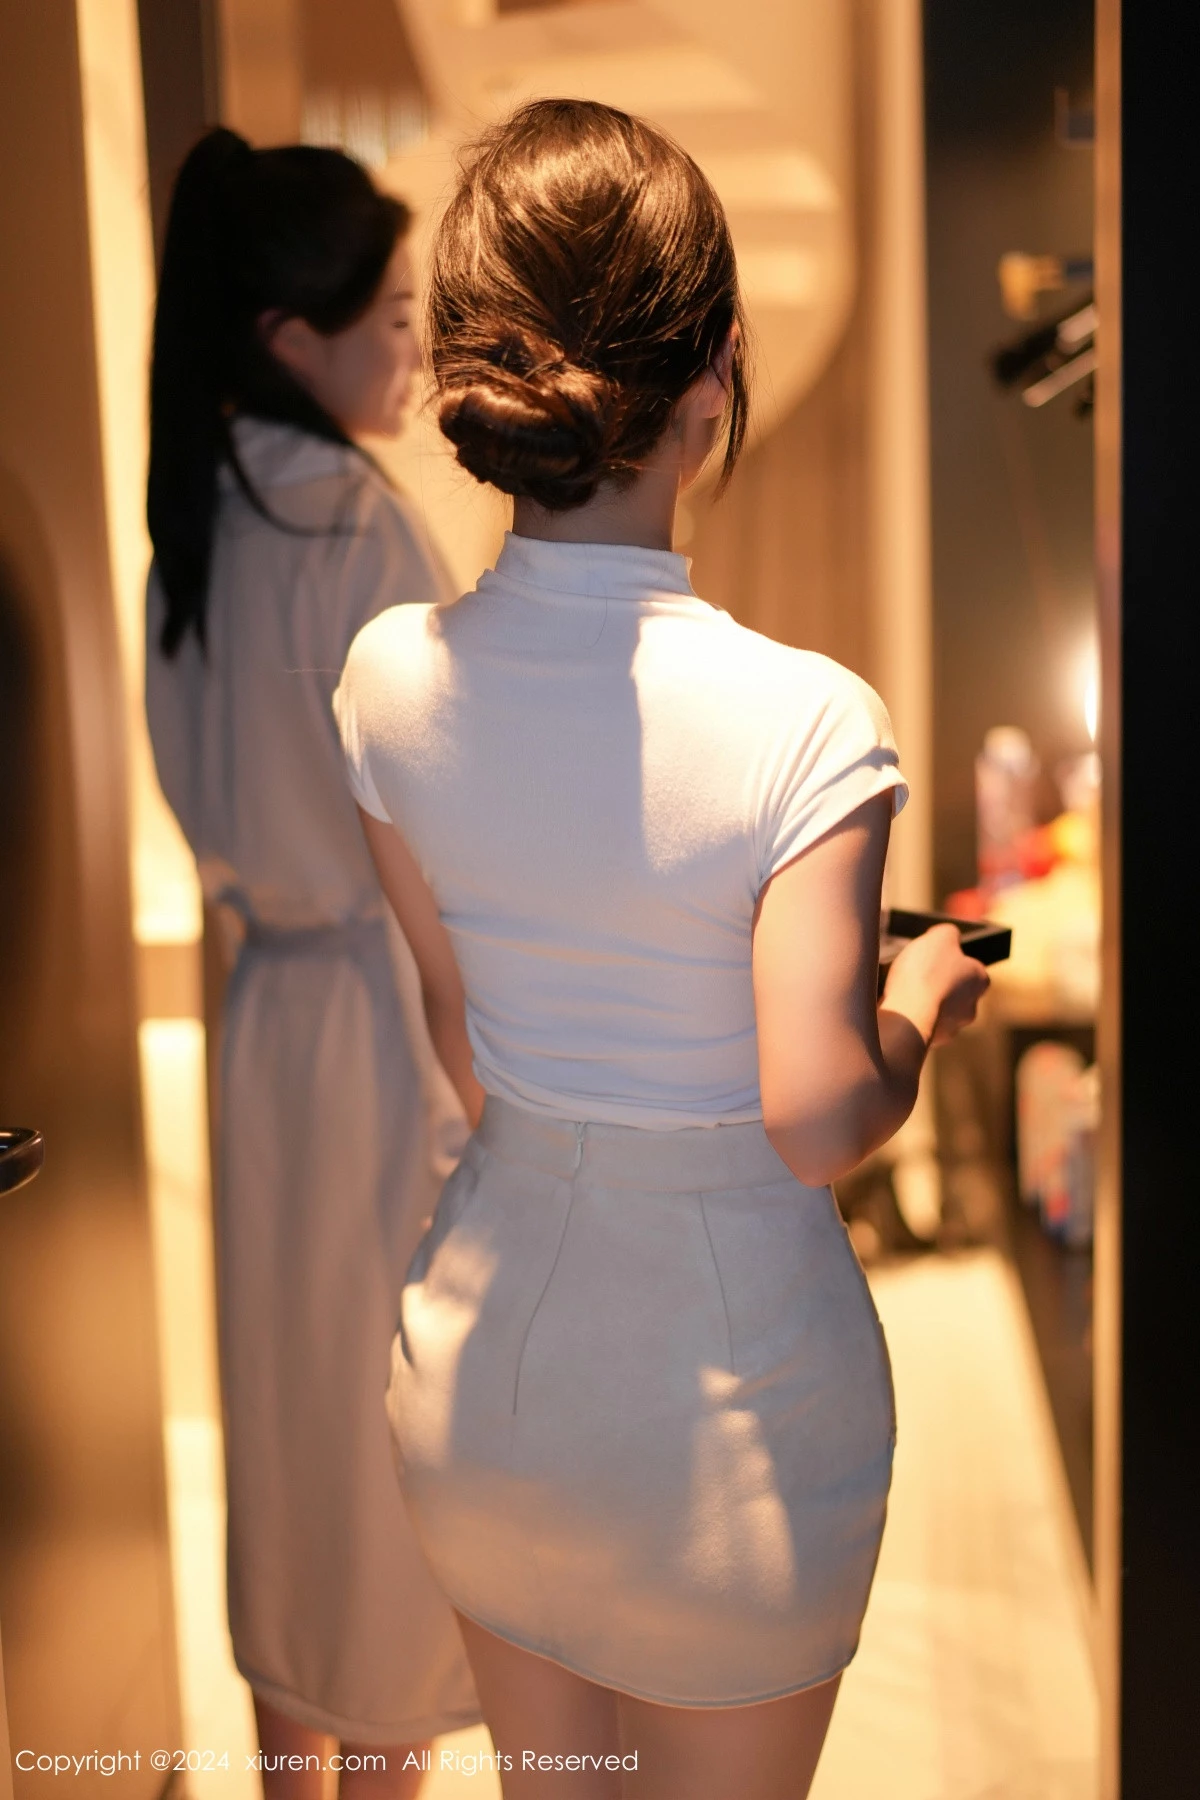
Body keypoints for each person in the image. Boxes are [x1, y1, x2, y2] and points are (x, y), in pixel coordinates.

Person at [334, 99, 989, 1800]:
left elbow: (467, 1041)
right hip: (726, 1430)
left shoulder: (388, 683)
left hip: (487, 1392)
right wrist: (918, 1001)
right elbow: (816, 1115)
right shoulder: (809, 723)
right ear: (713, 383)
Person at [144, 128, 479, 1798]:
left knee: (282, 1432)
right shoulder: (363, 529)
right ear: (293, 337)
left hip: (265, 1014)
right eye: (396, 318)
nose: (418, 349)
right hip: (375, 1014)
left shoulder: (194, 530)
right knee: (381, 1440)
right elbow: (438, 828)